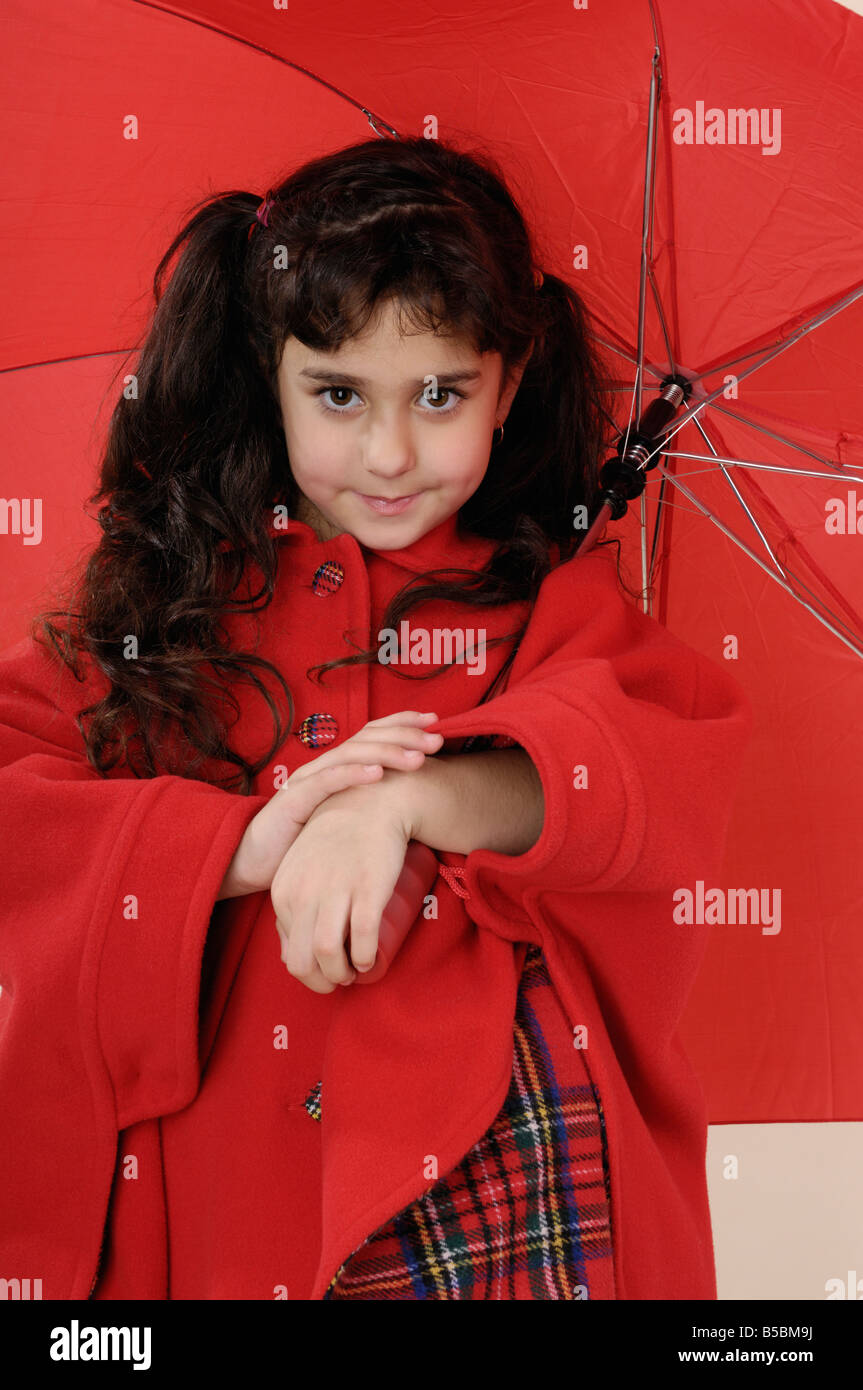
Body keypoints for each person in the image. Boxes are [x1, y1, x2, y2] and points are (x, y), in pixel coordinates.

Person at [0, 135, 753, 1301]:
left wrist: (401, 803)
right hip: (220, 1208)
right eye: (339, 394)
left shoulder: (553, 600)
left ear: (509, 381)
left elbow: (642, 772)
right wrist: (234, 847)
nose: (390, 453)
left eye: (441, 393)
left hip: (505, 1201)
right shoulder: (170, 613)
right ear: (269, 373)